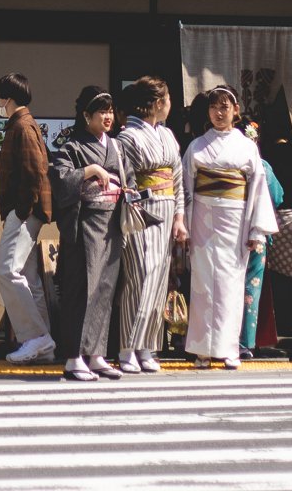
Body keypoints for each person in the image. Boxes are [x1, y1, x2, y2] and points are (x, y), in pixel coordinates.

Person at [182, 85, 276, 369]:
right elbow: (186, 188)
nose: (219, 113)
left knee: (231, 285)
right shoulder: (197, 146)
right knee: (202, 283)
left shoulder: (247, 147)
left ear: (236, 111)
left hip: (235, 220)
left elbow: (258, 189)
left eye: (225, 107)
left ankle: (230, 348)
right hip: (202, 217)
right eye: (214, 107)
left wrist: (257, 231)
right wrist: (184, 224)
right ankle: (201, 349)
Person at [50, 86, 124, 380]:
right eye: (101, 112)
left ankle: (96, 354)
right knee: (82, 289)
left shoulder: (115, 146)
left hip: (112, 224)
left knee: (105, 288)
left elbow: (125, 178)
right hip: (85, 224)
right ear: (85, 116)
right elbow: (60, 178)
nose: (108, 117)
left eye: (110, 111)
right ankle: (73, 357)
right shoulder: (72, 147)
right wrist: (90, 170)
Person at [114, 75, 187, 374]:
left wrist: (180, 217)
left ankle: (148, 346)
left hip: (167, 209)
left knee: (159, 281)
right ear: (158, 103)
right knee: (139, 277)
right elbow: (125, 180)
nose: (169, 106)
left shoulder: (168, 136)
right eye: (167, 100)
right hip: (141, 213)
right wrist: (138, 208)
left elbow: (178, 179)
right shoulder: (127, 137)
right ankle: (127, 347)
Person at [0, 72, 55, 364]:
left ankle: (35, 337)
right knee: (29, 278)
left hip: (24, 213)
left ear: (7, 98)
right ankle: (45, 347)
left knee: (6, 271)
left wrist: (19, 211)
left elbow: (33, 173)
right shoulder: (24, 125)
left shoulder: (22, 127)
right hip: (27, 212)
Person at [239, 112, 285, 360]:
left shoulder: (231, 161)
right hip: (256, 233)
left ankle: (224, 339)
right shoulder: (262, 165)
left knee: (227, 284)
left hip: (229, 229)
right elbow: (278, 196)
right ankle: (245, 342)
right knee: (250, 289)